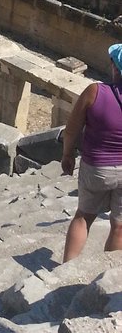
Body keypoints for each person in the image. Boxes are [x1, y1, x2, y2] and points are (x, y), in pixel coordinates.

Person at [61, 43, 122, 262]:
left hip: (97, 167)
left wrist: (67, 155)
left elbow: (71, 130)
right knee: (119, 226)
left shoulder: (95, 91)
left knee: (83, 217)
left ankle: (66, 269)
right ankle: (104, 274)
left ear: (115, 66)